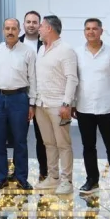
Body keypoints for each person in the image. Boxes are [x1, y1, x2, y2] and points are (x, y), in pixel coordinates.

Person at [75, 18, 110, 196]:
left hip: (107, 108)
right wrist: (72, 103)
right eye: (87, 29)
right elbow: (74, 80)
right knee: (88, 147)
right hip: (84, 107)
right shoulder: (77, 53)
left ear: (101, 31)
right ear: (84, 31)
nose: (91, 32)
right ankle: (92, 179)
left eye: (94, 29)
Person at [0, 18, 36, 191]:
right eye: (7, 28)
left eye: (13, 29)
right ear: (3, 30)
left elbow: (33, 78)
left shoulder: (28, 52)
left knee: (20, 141)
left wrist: (32, 104)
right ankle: (1, 176)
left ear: (19, 30)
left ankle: (21, 177)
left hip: (19, 98)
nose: (10, 32)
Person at [34, 15, 77, 193]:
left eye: (41, 26)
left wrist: (67, 103)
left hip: (58, 105)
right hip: (41, 104)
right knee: (49, 143)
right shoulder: (41, 49)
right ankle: (53, 177)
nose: (39, 29)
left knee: (63, 144)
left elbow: (72, 78)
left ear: (49, 28)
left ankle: (67, 181)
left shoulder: (66, 50)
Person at [20, 10, 48, 182]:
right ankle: (19, 171)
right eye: (28, 22)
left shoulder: (47, 44)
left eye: (34, 22)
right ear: (24, 24)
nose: (31, 25)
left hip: (42, 96)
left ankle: (44, 171)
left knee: (42, 137)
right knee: (19, 137)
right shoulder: (16, 43)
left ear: (40, 25)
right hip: (20, 96)